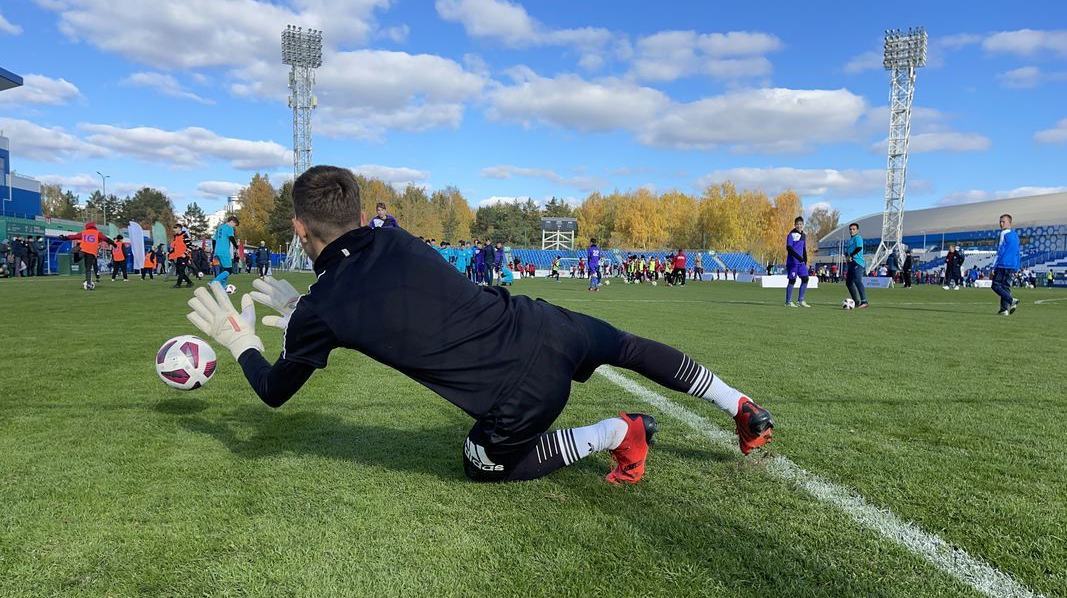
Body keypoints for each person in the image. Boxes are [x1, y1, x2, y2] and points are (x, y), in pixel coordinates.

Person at [186, 165, 774, 485]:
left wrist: (244, 342)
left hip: (519, 392)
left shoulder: (324, 308)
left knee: (480, 464)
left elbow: (274, 392)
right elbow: (388, 298)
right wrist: (304, 312)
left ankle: (617, 435)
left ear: (297, 228)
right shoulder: (396, 239)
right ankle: (737, 403)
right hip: (544, 319)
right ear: (365, 214)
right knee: (628, 346)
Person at [60, 222, 114, 290]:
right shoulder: (97, 233)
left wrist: (65, 237)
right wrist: (113, 243)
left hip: (83, 250)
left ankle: (76, 253)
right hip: (91, 253)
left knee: (76, 260)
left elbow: (74, 236)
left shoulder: (84, 232)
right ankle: (89, 283)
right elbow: (106, 239)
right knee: (89, 268)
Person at [992, 213, 1020, 316]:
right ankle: (1004, 310)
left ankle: (1011, 300)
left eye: (1003, 221)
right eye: (1000, 221)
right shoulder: (1016, 235)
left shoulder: (1003, 234)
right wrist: (1017, 267)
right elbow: (1017, 253)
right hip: (1012, 265)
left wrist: (993, 265)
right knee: (1005, 287)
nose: (1001, 224)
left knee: (995, 285)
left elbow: (1000, 250)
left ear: (1009, 223)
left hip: (1003, 263)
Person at [784, 216, 811, 308]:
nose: (799, 226)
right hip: (793, 262)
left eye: (800, 224)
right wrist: (798, 257)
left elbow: (803, 248)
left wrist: (805, 260)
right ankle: (788, 301)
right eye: (797, 224)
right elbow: (789, 248)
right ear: (794, 225)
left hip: (801, 263)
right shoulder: (791, 235)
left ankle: (801, 300)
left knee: (805, 278)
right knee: (792, 280)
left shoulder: (804, 235)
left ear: (803, 225)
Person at [844, 223, 869, 309]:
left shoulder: (858, 238)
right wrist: (847, 256)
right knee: (848, 282)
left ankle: (864, 301)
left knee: (857, 281)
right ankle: (856, 301)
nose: (852, 231)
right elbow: (846, 251)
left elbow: (859, 248)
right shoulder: (849, 240)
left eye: (854, 229)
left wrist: (851, 256)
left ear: (857, 230)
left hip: (857, 262)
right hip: (850, 263)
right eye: (850, 229)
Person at [211, 216, 239, 290]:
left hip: (217, 251)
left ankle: (223, 288)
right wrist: (237, 247)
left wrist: (214, 250)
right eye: (234, 225)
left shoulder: (220, 227)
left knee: (225, 270)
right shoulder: (229, 228)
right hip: (224, 251)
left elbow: (213, 240)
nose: (234, 227)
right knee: (229, 270)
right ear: (232, 222)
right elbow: (231, 238)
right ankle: (213, 282)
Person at [169, 223, 193, 289]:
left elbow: (190, 246)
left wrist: (185, 254)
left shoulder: (185, 236)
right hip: (178, 256)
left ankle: (178, 284)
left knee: (181, 270)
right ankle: (189, 282)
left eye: (175, 228)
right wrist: (169, 252)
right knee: (179, 271)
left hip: (184, 256)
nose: (174, 230)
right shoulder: (175, 237)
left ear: (179, 228)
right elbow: (174, 247)